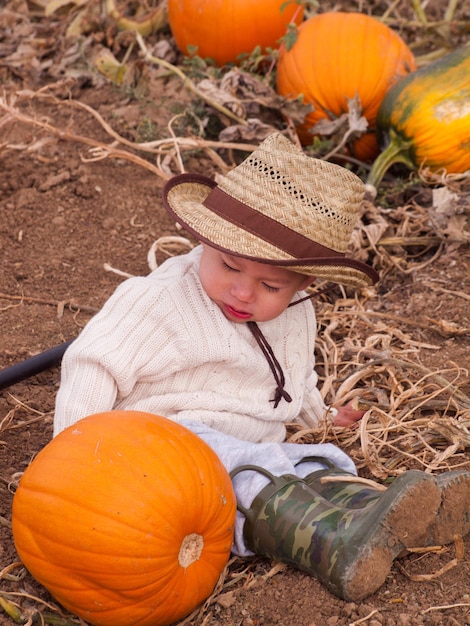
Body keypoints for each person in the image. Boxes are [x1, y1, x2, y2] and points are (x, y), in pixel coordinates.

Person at [53, 133, 470, 601]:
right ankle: (333, 543)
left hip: (255, 448)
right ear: (204, 237)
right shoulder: (160, 300)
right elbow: (93, 365)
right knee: (247, 473)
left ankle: (385, 514)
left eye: (270, 285)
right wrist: (74, 462)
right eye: (229, 267)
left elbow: (293, 377)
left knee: (310, 466)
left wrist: (322, 418)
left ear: (302, 284)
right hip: (165, 454)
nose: (244, 293)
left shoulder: (295, 312)